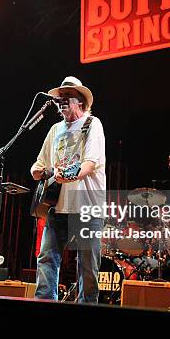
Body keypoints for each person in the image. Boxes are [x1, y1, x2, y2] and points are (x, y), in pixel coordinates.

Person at [30, 76, 106, 302]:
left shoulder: (93, 125)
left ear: (80, 102)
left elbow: (89, 164)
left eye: (67, 98)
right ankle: (44, 308)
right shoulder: (54, 130)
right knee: (46, 259)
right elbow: (39, 163)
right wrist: (36, 171)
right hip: (57, 207)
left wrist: (67, 175)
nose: (61, 102)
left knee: (88, 268)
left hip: (87, 208)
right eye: (59, 99)